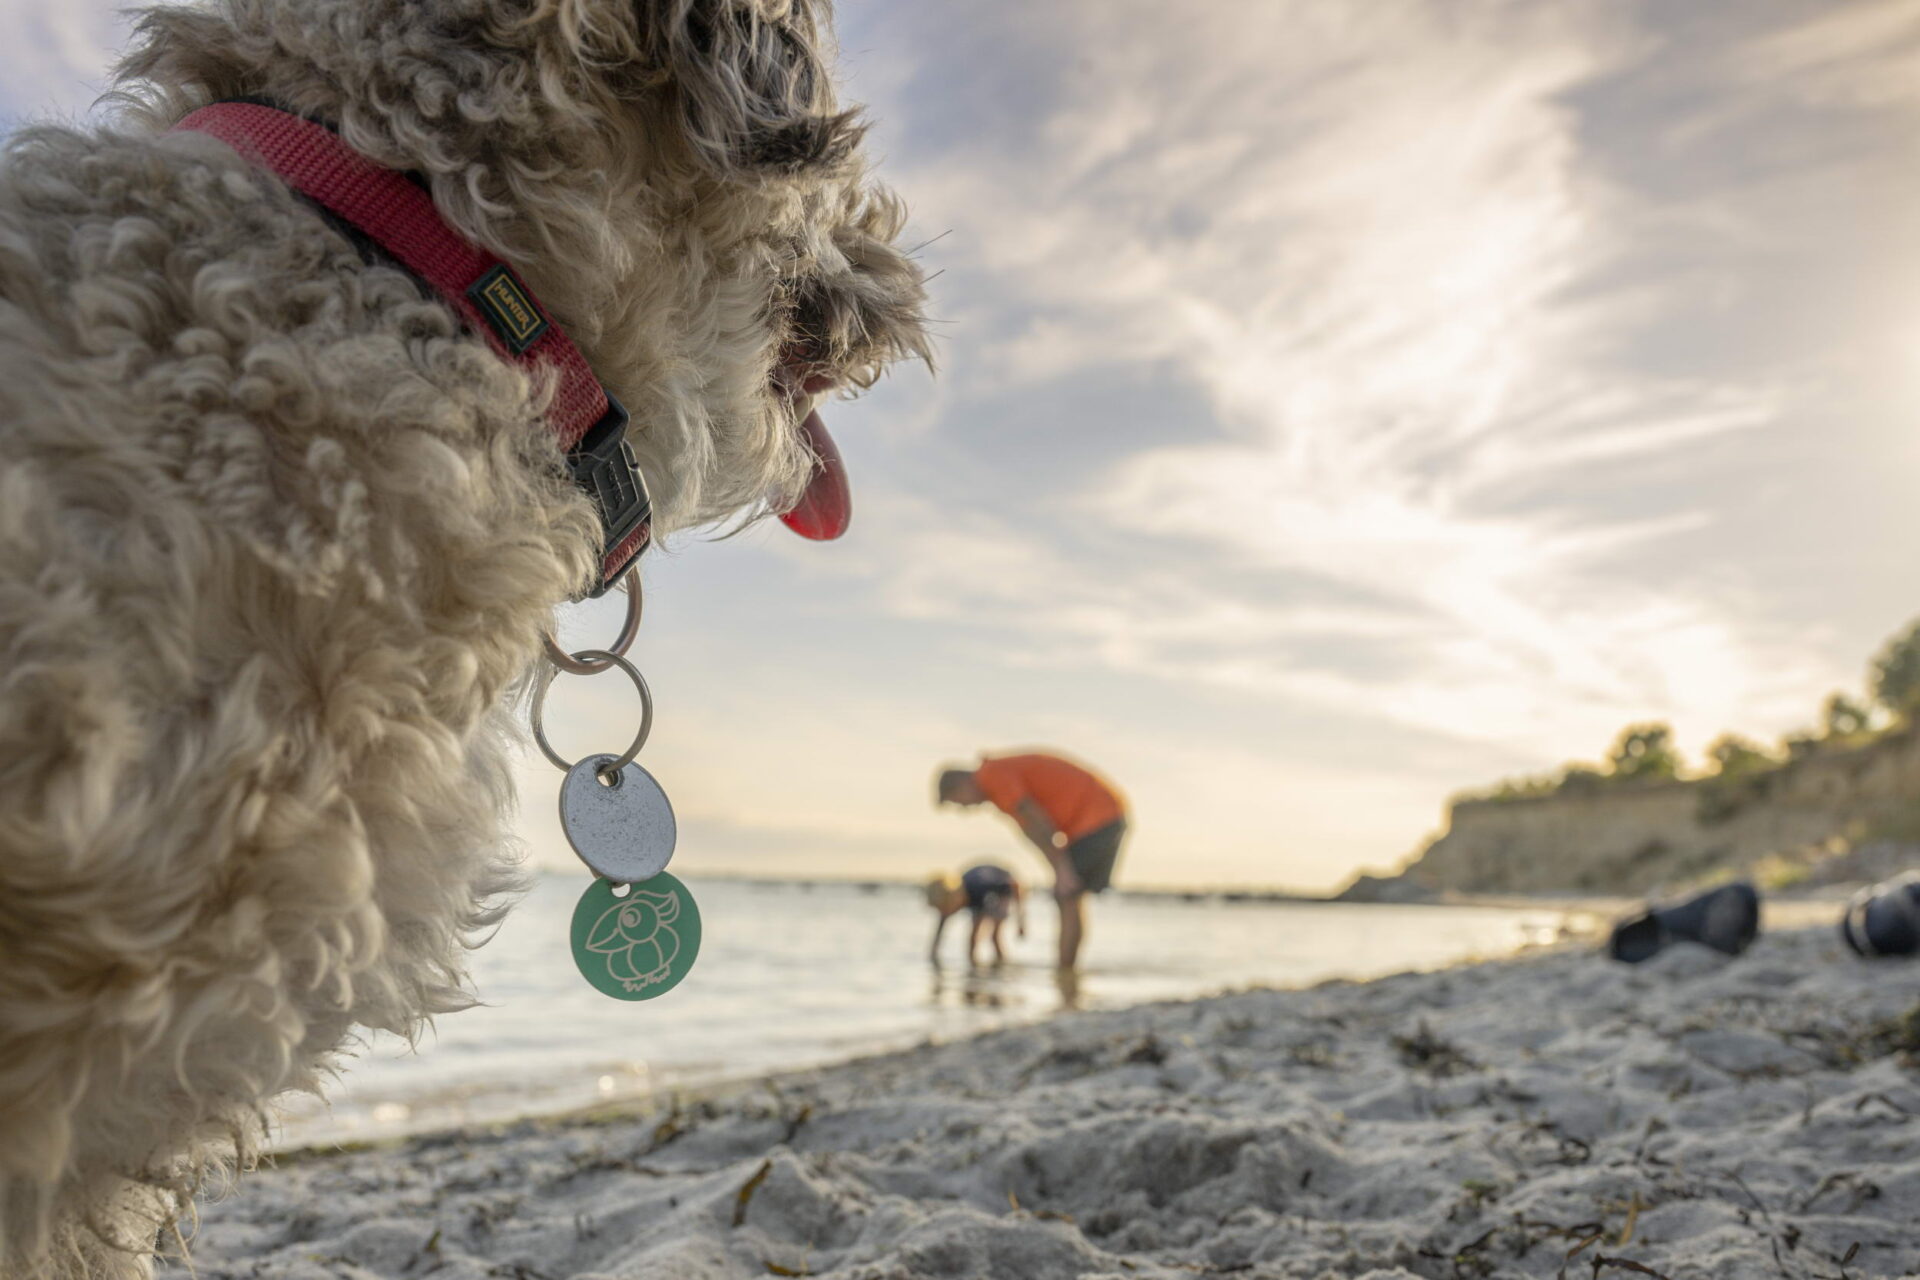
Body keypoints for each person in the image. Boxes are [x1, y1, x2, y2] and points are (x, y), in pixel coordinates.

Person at [935, 751, 1129, 970]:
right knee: (1070, 896)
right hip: (1096, 815)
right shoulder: (996, 783)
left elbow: (1036, 820)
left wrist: (1061, 868)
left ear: (961, 785)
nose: (966, 810)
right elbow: (1030, 829)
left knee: (1067, 895)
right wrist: (1058, 868)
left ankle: (1065, 972)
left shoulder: (991, 776)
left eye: (960, 804)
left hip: (1096, 815)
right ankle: (1068, 978)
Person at [926, 864, 1027, 966]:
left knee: (994, 936)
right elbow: (938, 933)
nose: (945, 913)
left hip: (1004, 887)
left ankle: (1002, 965)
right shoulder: (949, 897)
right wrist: (933, 955)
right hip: (980, 888)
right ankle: (974, 967)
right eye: (941, 909)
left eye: (946, 908)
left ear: (954, 898)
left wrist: (1020, 921)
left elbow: (1015, 885)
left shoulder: (979, 889)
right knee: (973, 938)